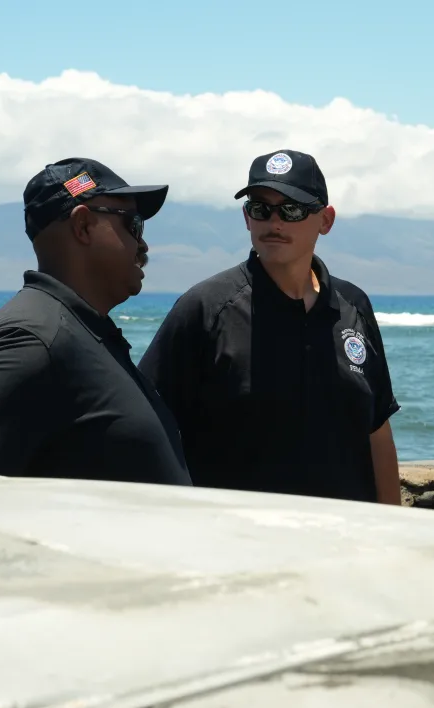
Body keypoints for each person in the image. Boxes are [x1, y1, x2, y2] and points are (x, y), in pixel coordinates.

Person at [138, 149, 401, 504]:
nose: (274, 222)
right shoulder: (205, 308)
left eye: (291, 209)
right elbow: (149, 427)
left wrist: (392, 529)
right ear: (247, 218)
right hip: (240, 545)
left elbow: (378, 432)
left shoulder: (354, 306)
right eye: (260, 208)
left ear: (326, 220)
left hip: (345, 543)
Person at [0, 158, 192, 487]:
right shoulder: (35, 338)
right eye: (133, 225)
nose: (142, 245)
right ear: (84, 226)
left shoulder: (79, 331)